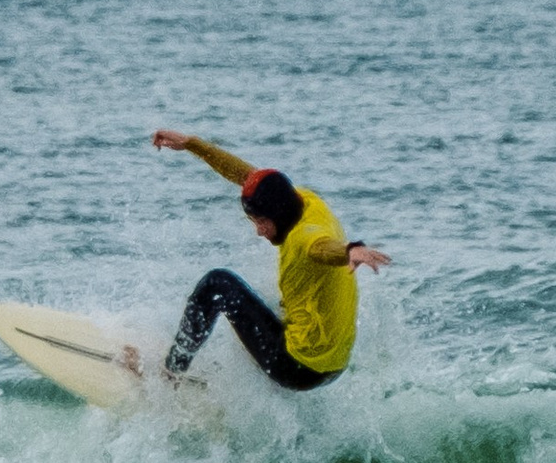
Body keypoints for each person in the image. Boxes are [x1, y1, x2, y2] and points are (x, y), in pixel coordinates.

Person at [134, 129, 390, 389]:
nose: (259, 231)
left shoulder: (305, 239)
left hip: (299, 368)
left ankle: (169, 374)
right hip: (334, 364)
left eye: (262, 222)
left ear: (278, 213)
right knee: (269, 302)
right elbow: (247, 176)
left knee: (218, 284)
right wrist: (192, 145)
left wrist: (350, 251)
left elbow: (323, 248)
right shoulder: (305, 202)